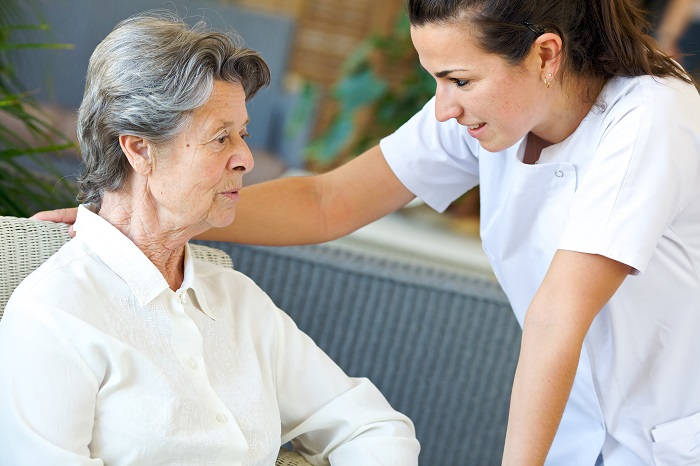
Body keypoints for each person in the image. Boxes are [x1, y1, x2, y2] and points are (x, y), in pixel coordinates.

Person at [34, 0, 700, 464]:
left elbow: (558, 316)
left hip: (671, 439)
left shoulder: (652, 117)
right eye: (436, 78)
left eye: (459, 79)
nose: (443, 106)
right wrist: (156, 218)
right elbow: (329, 201)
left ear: (546, 54)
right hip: (578, 436)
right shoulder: (487, 113)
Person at [0, 11, 420, 466]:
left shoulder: (240, 303)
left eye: (243, 134)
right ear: (140, 150)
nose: (246, 159)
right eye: (221, 138)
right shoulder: (56, 313)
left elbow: (372, 427)